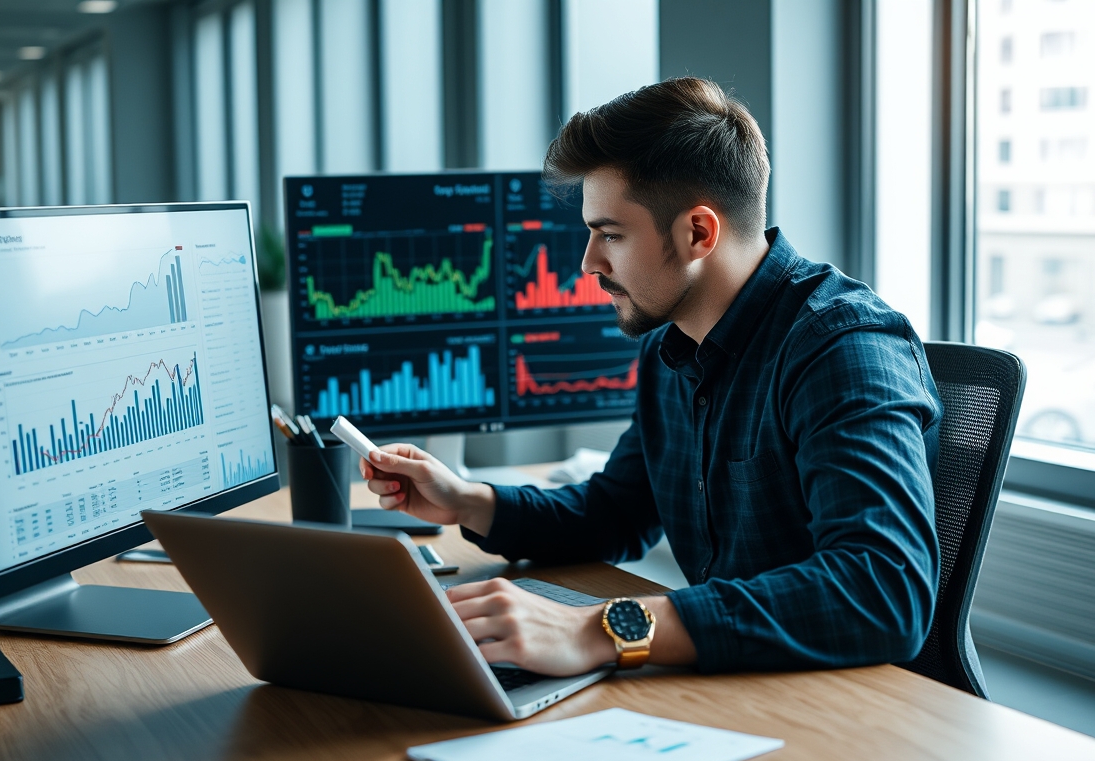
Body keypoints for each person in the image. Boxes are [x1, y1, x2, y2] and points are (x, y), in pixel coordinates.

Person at [361, 77, 942, 677]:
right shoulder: (674, 344)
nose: (588, 263)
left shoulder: (842, 348)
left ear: (697, 233)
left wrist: (599, 629)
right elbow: (615, 514)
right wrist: (468, 502)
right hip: (734, 686)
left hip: (847, 707)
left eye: (610, 234)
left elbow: (883, 591)